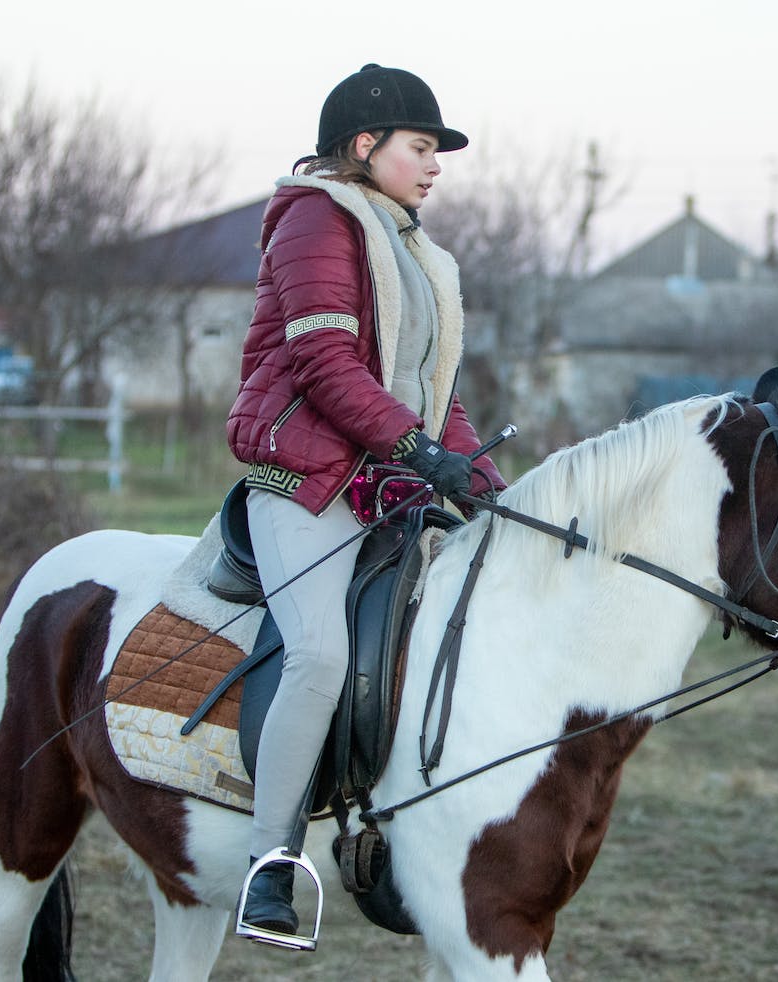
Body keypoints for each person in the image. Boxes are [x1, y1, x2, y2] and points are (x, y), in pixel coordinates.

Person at [225, 63, 507, 940]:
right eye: (421, 148)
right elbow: (325, 366)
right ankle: (269, 865)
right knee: (315, 655)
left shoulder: (416, 251)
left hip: (385, 486)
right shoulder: (315, 219)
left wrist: (488, 487)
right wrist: (419, 452)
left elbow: (439, 398)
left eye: (435, 152)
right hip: (303, 485)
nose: (435, 167)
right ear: (364, 146)